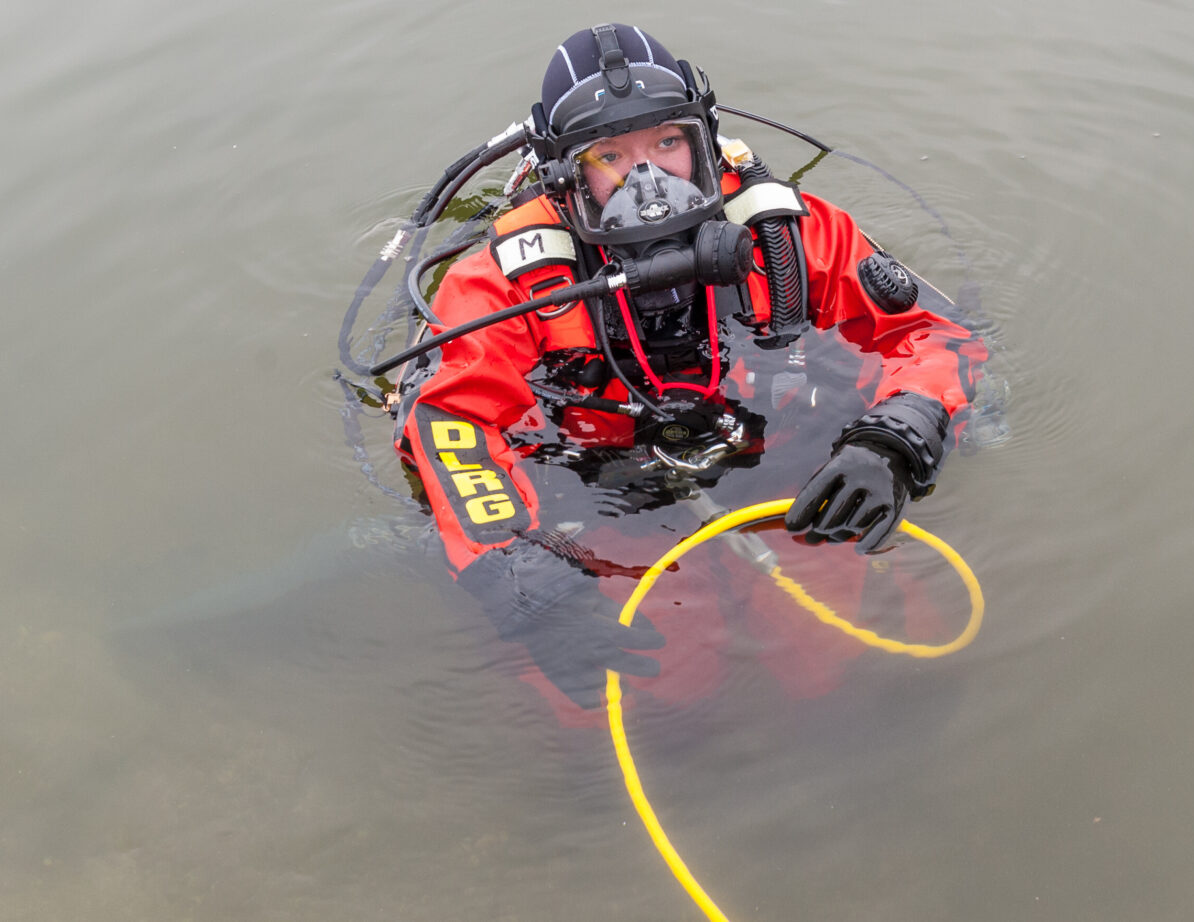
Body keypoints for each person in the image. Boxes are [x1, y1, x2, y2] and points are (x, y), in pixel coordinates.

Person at [392, 23, 987, 718]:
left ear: (704, 142)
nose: (647, 182)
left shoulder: (786, 237)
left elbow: (927, 335)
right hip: (607, 503)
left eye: (668, 143)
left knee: (837, 672)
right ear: (564, 176)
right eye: (609, 155)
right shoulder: (506, 281)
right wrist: (517, 578)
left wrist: (892, 440)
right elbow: (449, 421)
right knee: (636, 698)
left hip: (785, 476)